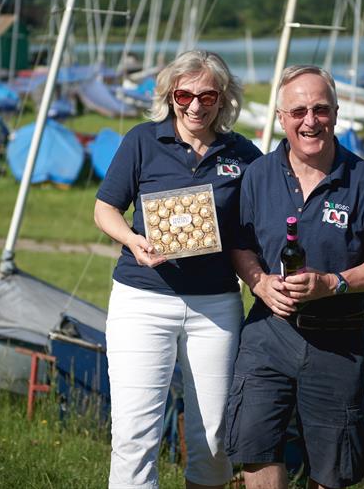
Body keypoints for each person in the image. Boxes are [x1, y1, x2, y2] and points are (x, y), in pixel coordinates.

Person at [225, 65, 364, 489]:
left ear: (337, 113)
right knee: (255, 449)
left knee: (334, 469)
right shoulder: (258, 175)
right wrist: (259, 282)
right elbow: (239, 244)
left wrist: (333, 283)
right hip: (268, 333)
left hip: (337, 341)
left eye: (321, 109)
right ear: (281, 118)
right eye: (299, 111)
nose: (310, 121)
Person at [94, 49, 261, 489]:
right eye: (184, 94)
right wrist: (132, 240)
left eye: (208, 96)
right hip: (142, 300)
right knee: (134, 434)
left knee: (215, 440)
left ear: (224, 99)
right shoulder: (142, 140)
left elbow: (262, 221)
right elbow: (106, 208)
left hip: (217, 307)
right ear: (170, 95)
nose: (195, 105)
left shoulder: (242, 152)